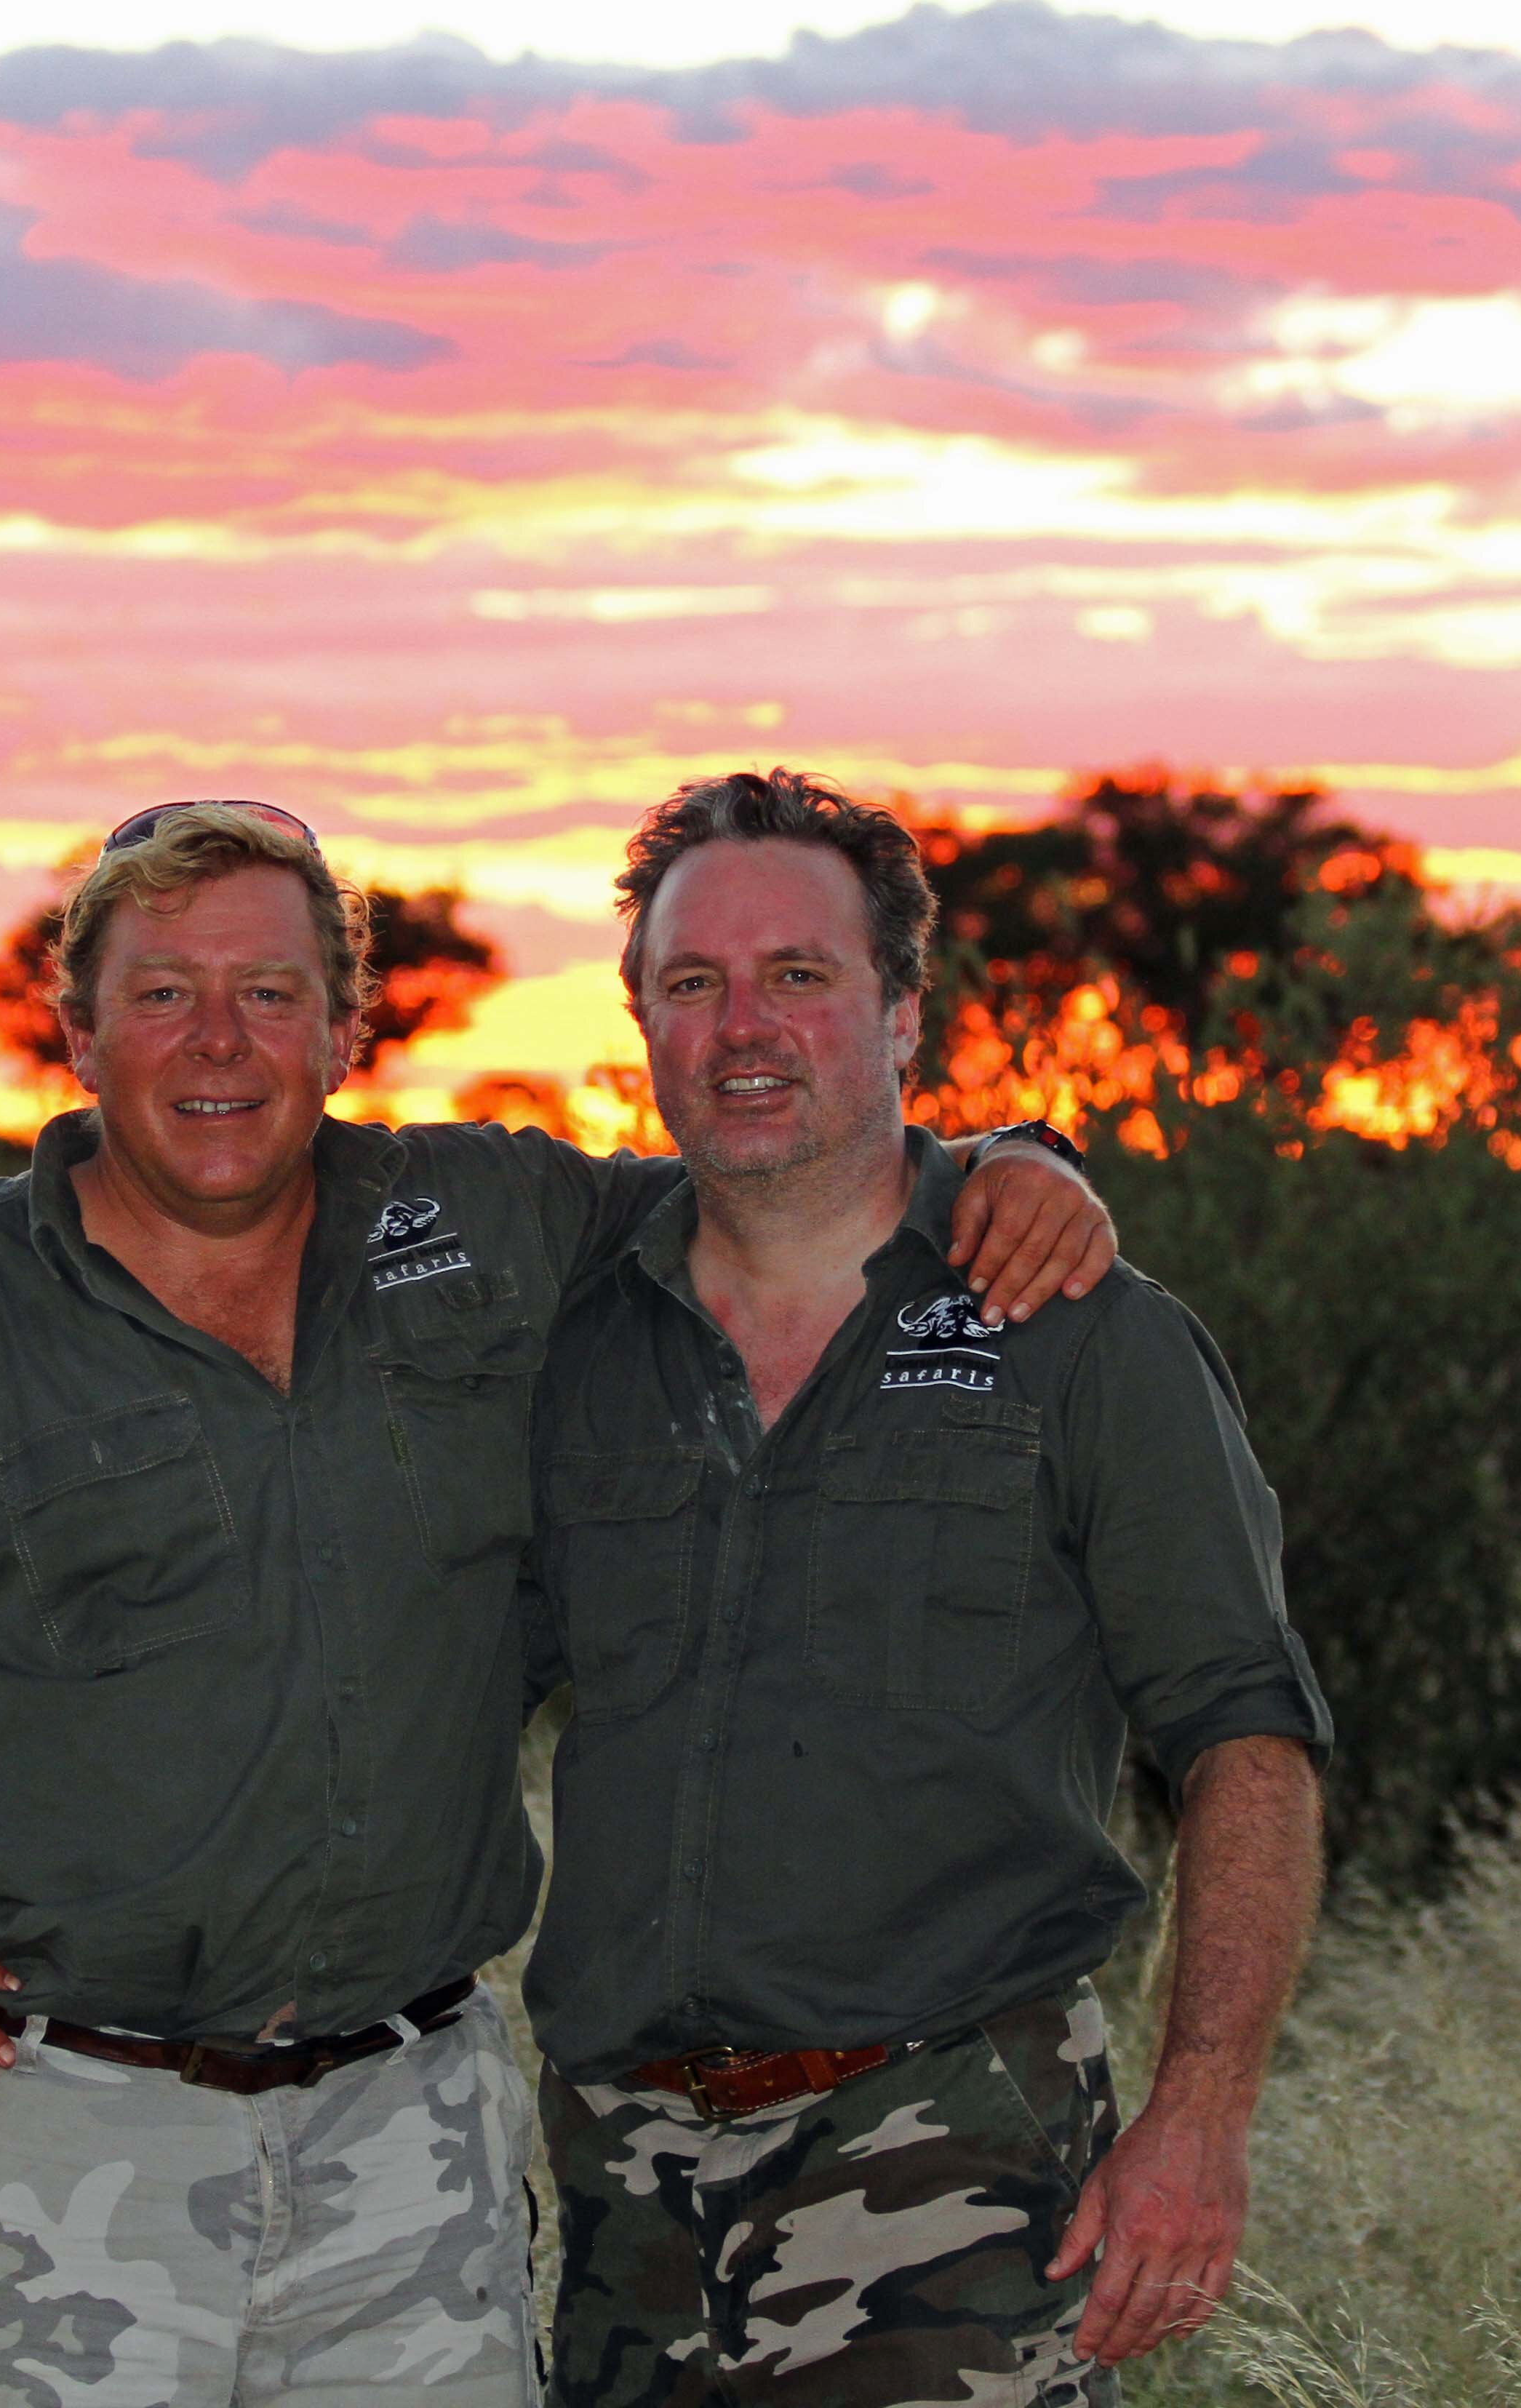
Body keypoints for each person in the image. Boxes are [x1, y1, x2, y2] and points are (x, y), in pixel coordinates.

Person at [0, 799, 1117, 2408]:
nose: (220, 1043)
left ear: (347, 1026)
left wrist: (998, 1161)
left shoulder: (483, 1225)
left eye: (271, 994)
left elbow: (773, 1183)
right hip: (43, 2142)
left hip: (407, 2147)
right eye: (162, 995)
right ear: (75, 1030)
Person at [522, 770, 1334, 2408]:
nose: (744, 1027)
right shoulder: (567, 1323)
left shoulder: (1082, 1335)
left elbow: (1247, 1740)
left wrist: (1200, 2118)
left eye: (799, 977)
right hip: (623, 2201)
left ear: (903, 1012)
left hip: (950, 2166)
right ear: (645, 1024)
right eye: (695, 985)